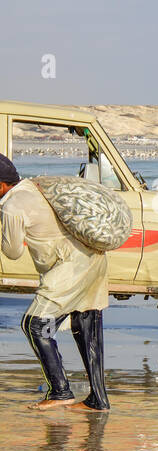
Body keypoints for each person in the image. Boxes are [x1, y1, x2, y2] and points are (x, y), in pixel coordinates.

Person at [0, 154, 110, 411]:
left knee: (35, 325)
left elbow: (12, 251)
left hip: (69, 269)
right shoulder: (34, 188)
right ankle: (98, 400)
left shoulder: (11, 206)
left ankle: (60, 391)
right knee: (86, 327)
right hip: (93, 258)